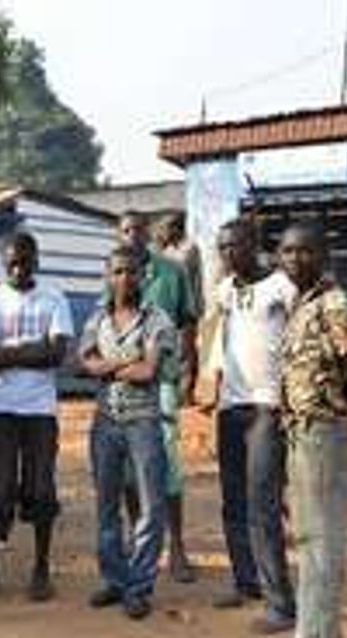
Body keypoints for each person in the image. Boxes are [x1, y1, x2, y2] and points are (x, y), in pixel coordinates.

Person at [263, 223, 347, 638]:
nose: (294, 260)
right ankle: (319, 636)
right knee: (309, 539)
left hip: (322, 432)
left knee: (321, 541)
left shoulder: (333, 305)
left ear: (323, 254)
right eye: (287, 252)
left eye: (304, 251)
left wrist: (334, 417)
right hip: (301, 433)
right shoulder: (300, 305)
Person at [0, 230, 73, 603]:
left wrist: (7, 353)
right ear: (3, 262)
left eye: (24, 260)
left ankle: (41, 568)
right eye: (11, 261)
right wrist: (33, 351)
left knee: (41, 489)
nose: (17, 267)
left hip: (39, 411)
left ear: (36, 260)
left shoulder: (54, 298)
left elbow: (57, 354)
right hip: (0, 408)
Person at [206, 218, 297, 633]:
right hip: (231, 407)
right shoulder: (225, 290)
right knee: (233, 501)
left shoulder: (281, 285)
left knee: (262, 504)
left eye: (235, 246)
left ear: (254, 245)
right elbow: (220, 338)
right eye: (222, 247)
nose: (227, 254)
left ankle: (281, 602)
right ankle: (246, 582)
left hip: (267, 407)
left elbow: (300, 335)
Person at [79, 245, 173, 620]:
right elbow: (83, 360)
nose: (124, 279)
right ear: (108, 275)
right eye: (117, 271)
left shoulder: (157, 319)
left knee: (151, 506)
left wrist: (107, 367)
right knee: (106, 505)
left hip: (143, 421)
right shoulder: (98, 316)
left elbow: (149, 372)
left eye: (131, 272)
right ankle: (115, 580)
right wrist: (126, 363)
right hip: (105, 423)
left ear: (143, 275)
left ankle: (139, 586)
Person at [118, 210, 199, 583]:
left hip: (162, 382)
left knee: (168, 468)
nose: (132, 235)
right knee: (129, 470)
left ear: (148, 233)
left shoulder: (171, 272)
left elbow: (188, 323)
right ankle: (141, 543)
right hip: (123, 385)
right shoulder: (113, 273)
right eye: (125, 230)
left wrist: (187, 373)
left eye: (137, 229)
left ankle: (178, 548)